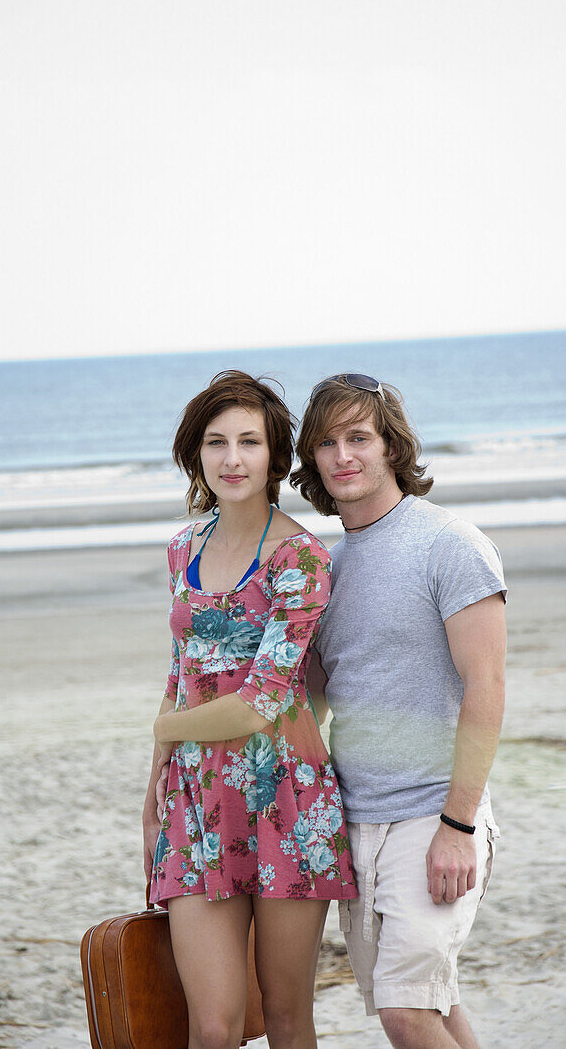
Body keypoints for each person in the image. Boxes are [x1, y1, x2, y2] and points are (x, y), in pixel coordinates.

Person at [143, 370, 357, 1049]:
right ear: (195, 453)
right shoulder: (184, 548)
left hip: (286, 798)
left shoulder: (298, 558)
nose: (231, 459)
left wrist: (163, 729)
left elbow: (260, 702)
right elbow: (179, 671)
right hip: (194, 799)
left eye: (248, 442)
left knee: (287, 1016)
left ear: (274, 456)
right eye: (215, 442)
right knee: (211, 1027)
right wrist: (153, 781)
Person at [291, 373, 507, 1049]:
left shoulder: (448, 542)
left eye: (358, 437)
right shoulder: (325, 569)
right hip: (355, 820)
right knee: (426, 1005)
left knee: (404, 1012)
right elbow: (316, 697)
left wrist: (456, 825)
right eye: (325, 442)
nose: (341, 455)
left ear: (391, 448)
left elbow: (487, 686)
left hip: (431, 812)